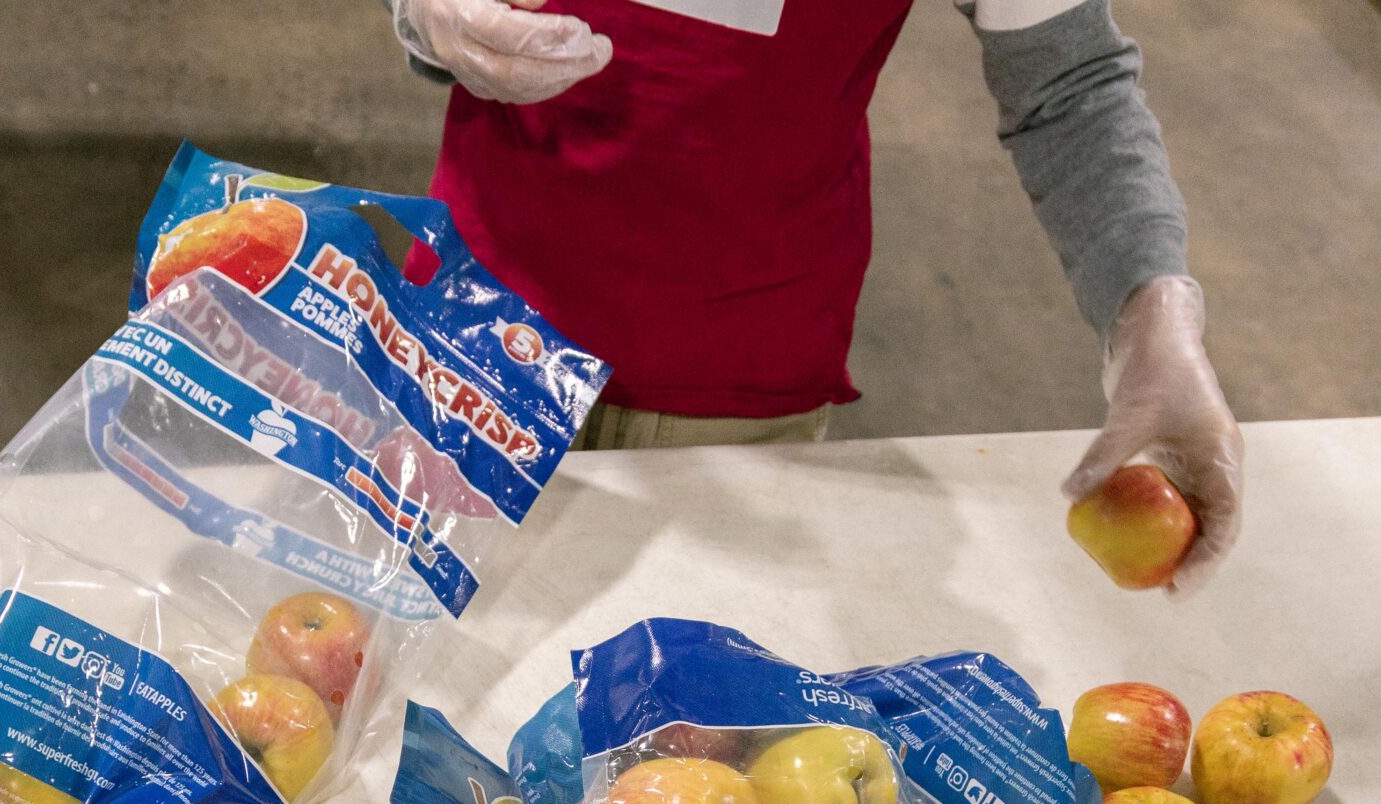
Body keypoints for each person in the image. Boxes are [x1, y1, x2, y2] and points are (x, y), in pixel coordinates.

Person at [386, 0, 1242, 592]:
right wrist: (427, 17)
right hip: (474, 325)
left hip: (734, 379)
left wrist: (1151, 315)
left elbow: (1068, 86)